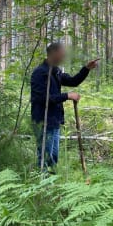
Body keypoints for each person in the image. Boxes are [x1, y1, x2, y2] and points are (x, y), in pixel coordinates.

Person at [30, 42, 98, 170]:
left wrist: (86, 69)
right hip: (43, 122)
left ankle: (51, 184)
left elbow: (73, 81)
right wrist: (66, 96)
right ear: (54, 53)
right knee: (45, 157)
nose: (64, 57)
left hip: (55, 121)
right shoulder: (40, 73)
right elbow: (42, 98)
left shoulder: (56, 71)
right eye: (62, 54)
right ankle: (42, 185)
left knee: (53, 157)